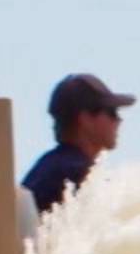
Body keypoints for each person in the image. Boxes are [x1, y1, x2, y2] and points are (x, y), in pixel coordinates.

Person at [23, 74, 129, 212]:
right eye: (112, 112)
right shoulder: (79, 174)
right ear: (85, 119)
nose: (118, 121)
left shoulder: (48, 165)